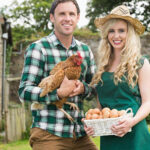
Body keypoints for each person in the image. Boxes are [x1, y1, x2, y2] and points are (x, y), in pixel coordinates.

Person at [18, 0, 98, 150]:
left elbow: (94, 88)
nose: (67, 18)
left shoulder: (85, 50)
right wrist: (58, 93)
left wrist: (83, 89)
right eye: (62, 14)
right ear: (52, 18)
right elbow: (24, 91)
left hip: (79, 133)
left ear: (78, 17)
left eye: (71, 14)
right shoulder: (39, 48)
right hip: (48, 132)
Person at [84, 5, 150, 150]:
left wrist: (130, 123)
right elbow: (101, 107)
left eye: (121, 31)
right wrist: (93, 125)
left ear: (129, 34)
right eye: (111, 31)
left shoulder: (141, 64)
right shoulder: (102, 67)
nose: (116, 36)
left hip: (134, 135)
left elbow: (148, 103)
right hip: (109, 136)